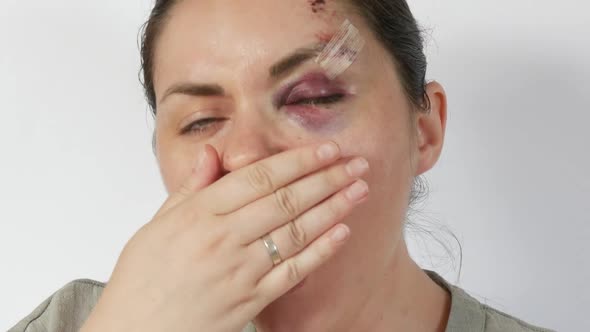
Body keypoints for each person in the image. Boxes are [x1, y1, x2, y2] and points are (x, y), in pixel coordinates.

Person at [9, 1, 556, 331]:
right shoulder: (76, 323)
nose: (247, 154)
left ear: (425, 129)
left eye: (314, 99)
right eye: (200, 120)